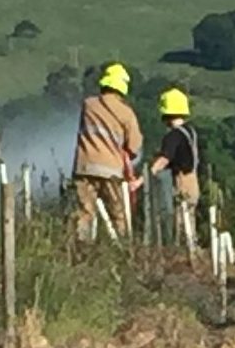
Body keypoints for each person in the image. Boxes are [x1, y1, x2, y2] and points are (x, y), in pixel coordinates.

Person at [72, 62, 142, 240]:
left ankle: (82, 248)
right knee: (118, 214)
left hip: (85, 168)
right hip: (111, 171)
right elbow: (134, 146)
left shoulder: (88, 105)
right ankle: (123, 248)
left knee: (84, 213)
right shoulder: (126, 113)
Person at [147, 87, 202, 252]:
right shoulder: (191, 132)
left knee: (180, 220)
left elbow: (164, 159)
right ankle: (192, 250)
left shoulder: (173, 136)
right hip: (193, 179)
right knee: (189, 220)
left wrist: (147, 175)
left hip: (181, 180)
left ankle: (181, 254)